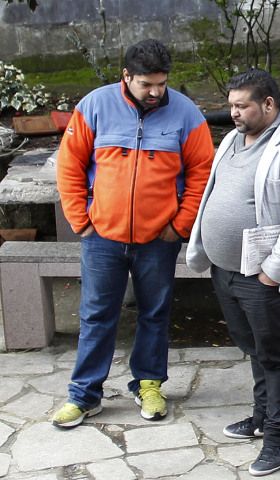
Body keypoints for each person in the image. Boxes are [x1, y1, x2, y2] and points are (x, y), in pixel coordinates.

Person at [51, 39, 214, 428]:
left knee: (155, 314)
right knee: (95, 315)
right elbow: (69, 167)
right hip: (101, 237)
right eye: (147, 84)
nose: (156, 92)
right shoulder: (93, 106)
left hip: (159, 239)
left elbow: (202, 174)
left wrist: (180, 225)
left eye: (162, 83)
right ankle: (84, 396)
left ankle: (149, 385)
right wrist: (82, 222)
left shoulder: (187, 115)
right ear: (126, 77)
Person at [186, 69, 280, 475]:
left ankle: (279, 436)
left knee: (276, 354)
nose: (234, 113)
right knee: (253, 348)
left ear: (269, 105)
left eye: (242, 106)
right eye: (230, 106)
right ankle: (263, 417)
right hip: (225, 271)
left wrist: (272, 272)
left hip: (261, 277)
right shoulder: (230, 139)